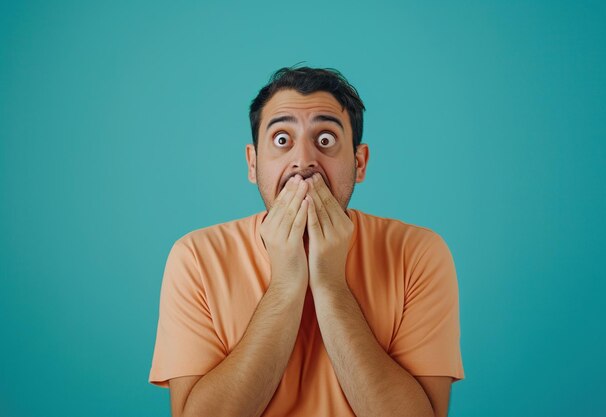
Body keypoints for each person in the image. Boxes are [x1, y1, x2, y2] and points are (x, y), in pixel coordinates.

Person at [148, 65, 465, 417]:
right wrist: (285, 286)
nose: (303, 161)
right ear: (253, 164)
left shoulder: (417, 254)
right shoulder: (196, 258)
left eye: (325, 139)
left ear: (359, 163)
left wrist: (330, 285)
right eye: (282, 140)